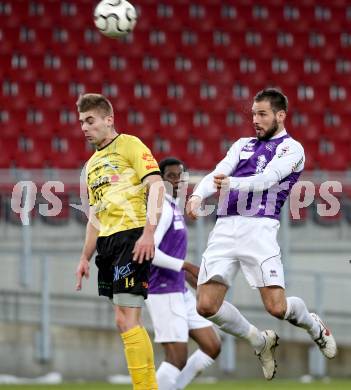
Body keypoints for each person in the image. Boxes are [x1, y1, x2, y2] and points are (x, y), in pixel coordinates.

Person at [186, 88, 337, 380]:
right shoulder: (242, 144)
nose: (255, 119)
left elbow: (267, 180)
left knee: (277, 308)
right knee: (205, 305)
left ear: (280, 116)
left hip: (260, 230)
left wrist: (229, 184)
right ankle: (259, 340)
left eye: (262, 114)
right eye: (253, 113)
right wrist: (197, 196)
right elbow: (218, 173)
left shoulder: (293, 149)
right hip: (225, 228)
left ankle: (313, 325)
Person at [75, 93, 165, 390]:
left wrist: (148, 233)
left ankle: (146, 388)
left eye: (90, 121)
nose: (84, 128)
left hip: (132, 236)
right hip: (107, 244)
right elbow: (94, 217)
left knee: (129, 318)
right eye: (81, 123)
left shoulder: (130, 144)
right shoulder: (90, 166)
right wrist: (85, 257)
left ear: (108, 119)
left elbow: (157, 185)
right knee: (121, 321)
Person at [145, 157, 221, 390]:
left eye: (181, 176)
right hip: (162, 290)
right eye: (171, 176)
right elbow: (150, 252)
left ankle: (173, 388)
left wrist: (190, 279)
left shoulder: (172, 207)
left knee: (212, 346)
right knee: (176, 357)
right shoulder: (160, 209)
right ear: (160, 180)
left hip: (179, 288)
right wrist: (186, 266)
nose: (177, 181)